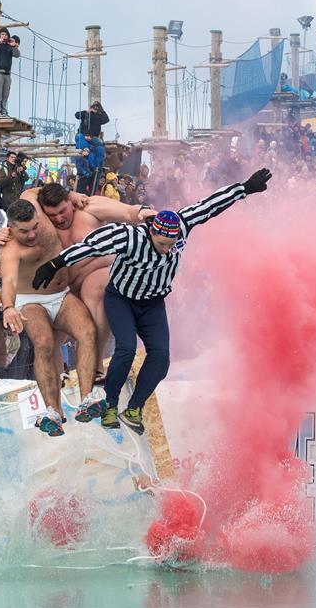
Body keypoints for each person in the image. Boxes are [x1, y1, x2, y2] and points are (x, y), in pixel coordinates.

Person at [32, 169, 271, 434]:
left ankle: (134, 407)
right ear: (151, 233)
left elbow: (210, 205)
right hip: (121, 298)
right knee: (126, 349)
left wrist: (245, 188)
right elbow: (92, 245)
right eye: (162, 244)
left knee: (161, 357)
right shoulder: (130, 236)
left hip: (153, 302)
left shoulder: (181, 225)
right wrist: (55, 263)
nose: (168, 249)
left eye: (172, 244)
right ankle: (109, 404)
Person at [0, 198, 104, 436]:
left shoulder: (44, 217)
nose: (32, 234)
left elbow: (48, 193)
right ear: (11, 227)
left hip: (61, 295)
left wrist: (74, 195)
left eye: (35, 227)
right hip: (30, 301)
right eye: (24, 231)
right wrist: (8, 307)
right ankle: (53, 411)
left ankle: (86, 398)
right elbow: (9, 280)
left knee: (88, 332)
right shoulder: (10, 246)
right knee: (44, 343)